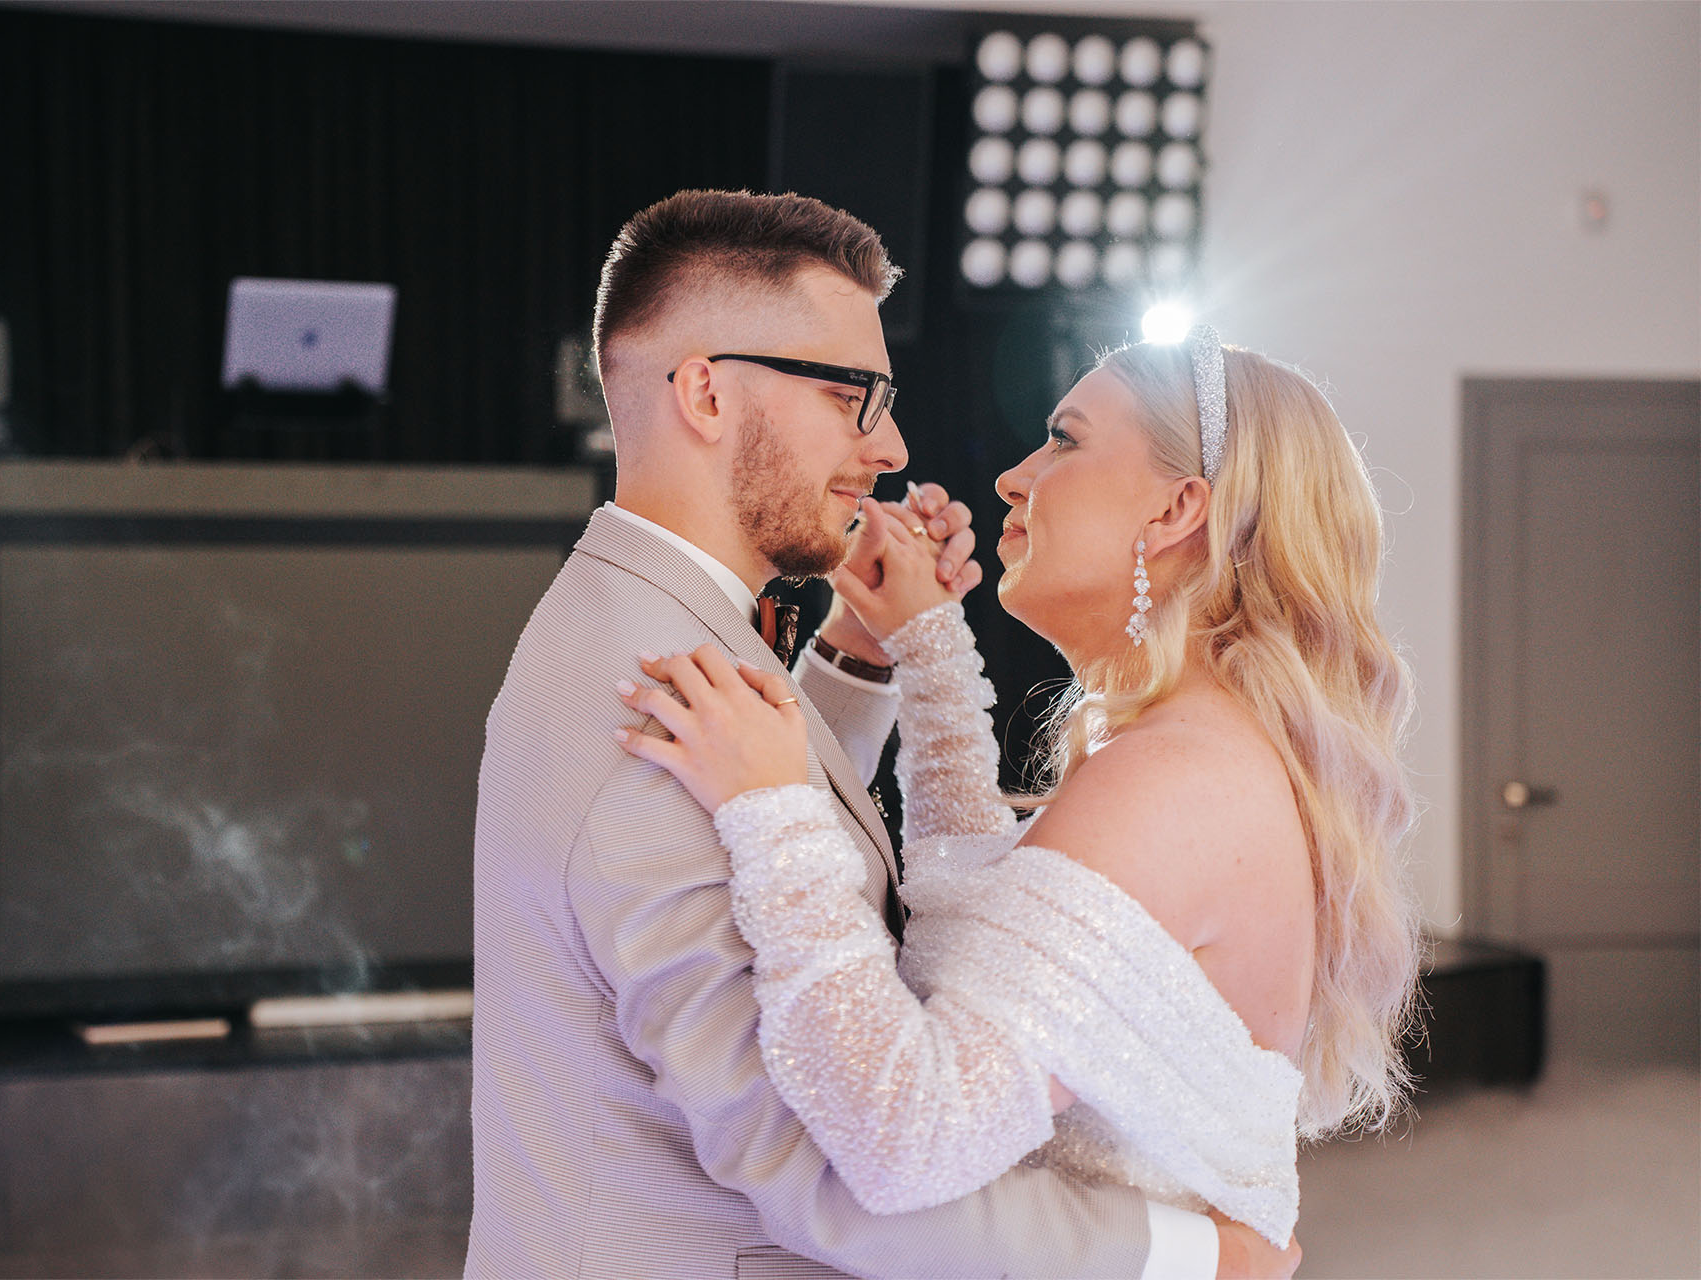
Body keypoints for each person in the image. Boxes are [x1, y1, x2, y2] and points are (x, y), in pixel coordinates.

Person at [467, 190, 1298, 1278]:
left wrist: (861, 653)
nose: (891, 446)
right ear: (707, 393)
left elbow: (778, 842)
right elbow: (818, 1160)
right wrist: (1193, 1259)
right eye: (850, 395)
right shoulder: (654, 704)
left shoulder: (653, 628)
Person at [617, 328, 1421, 1249]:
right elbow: (974, 906)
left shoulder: (1173, 780)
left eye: (1064, 440)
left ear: (1176, 509)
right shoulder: (1192, 747)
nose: (1012, 478)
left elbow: (910, 1134)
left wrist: (773, 816)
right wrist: (923, 642)